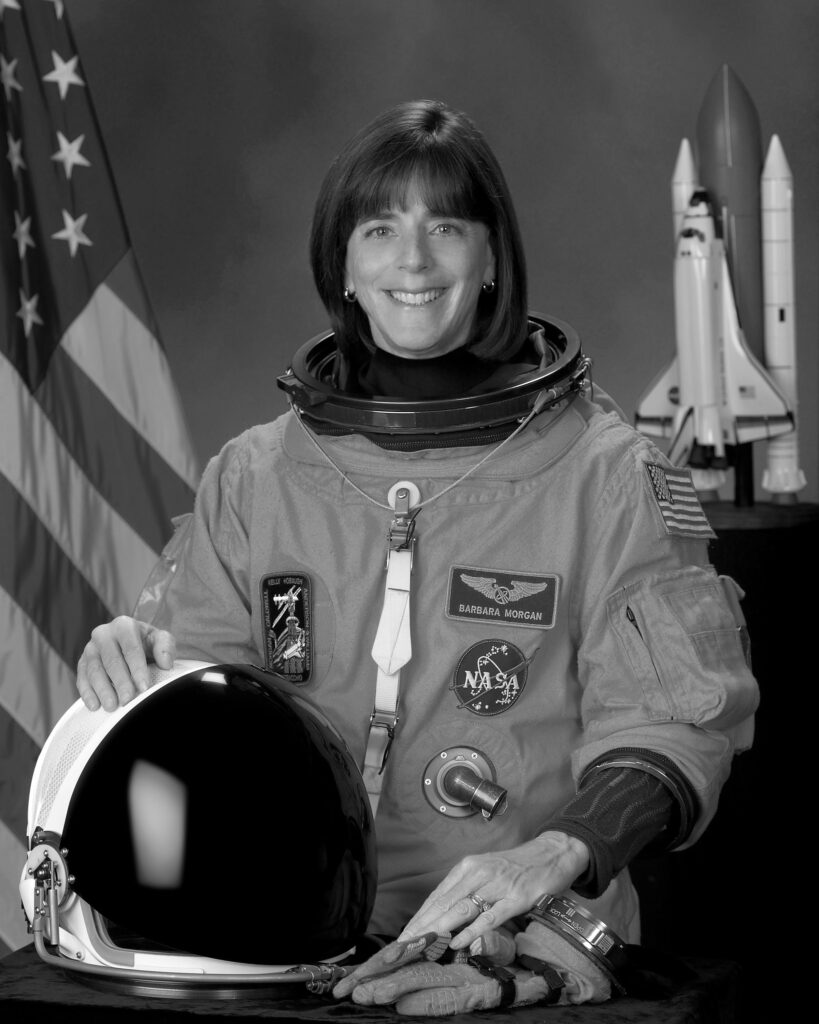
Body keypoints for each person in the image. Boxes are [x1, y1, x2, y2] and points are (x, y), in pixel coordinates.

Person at [75, 99, 759, 1012]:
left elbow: (675, 719)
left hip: (522, 943)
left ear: (489, 261)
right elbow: (204, 699)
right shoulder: (256, 474)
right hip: (276, 948)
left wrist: (553, 861)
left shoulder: (607, 473)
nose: (412, 260)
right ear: (343, 267)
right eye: (379, 229)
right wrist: (134, 671)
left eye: (446, 226)